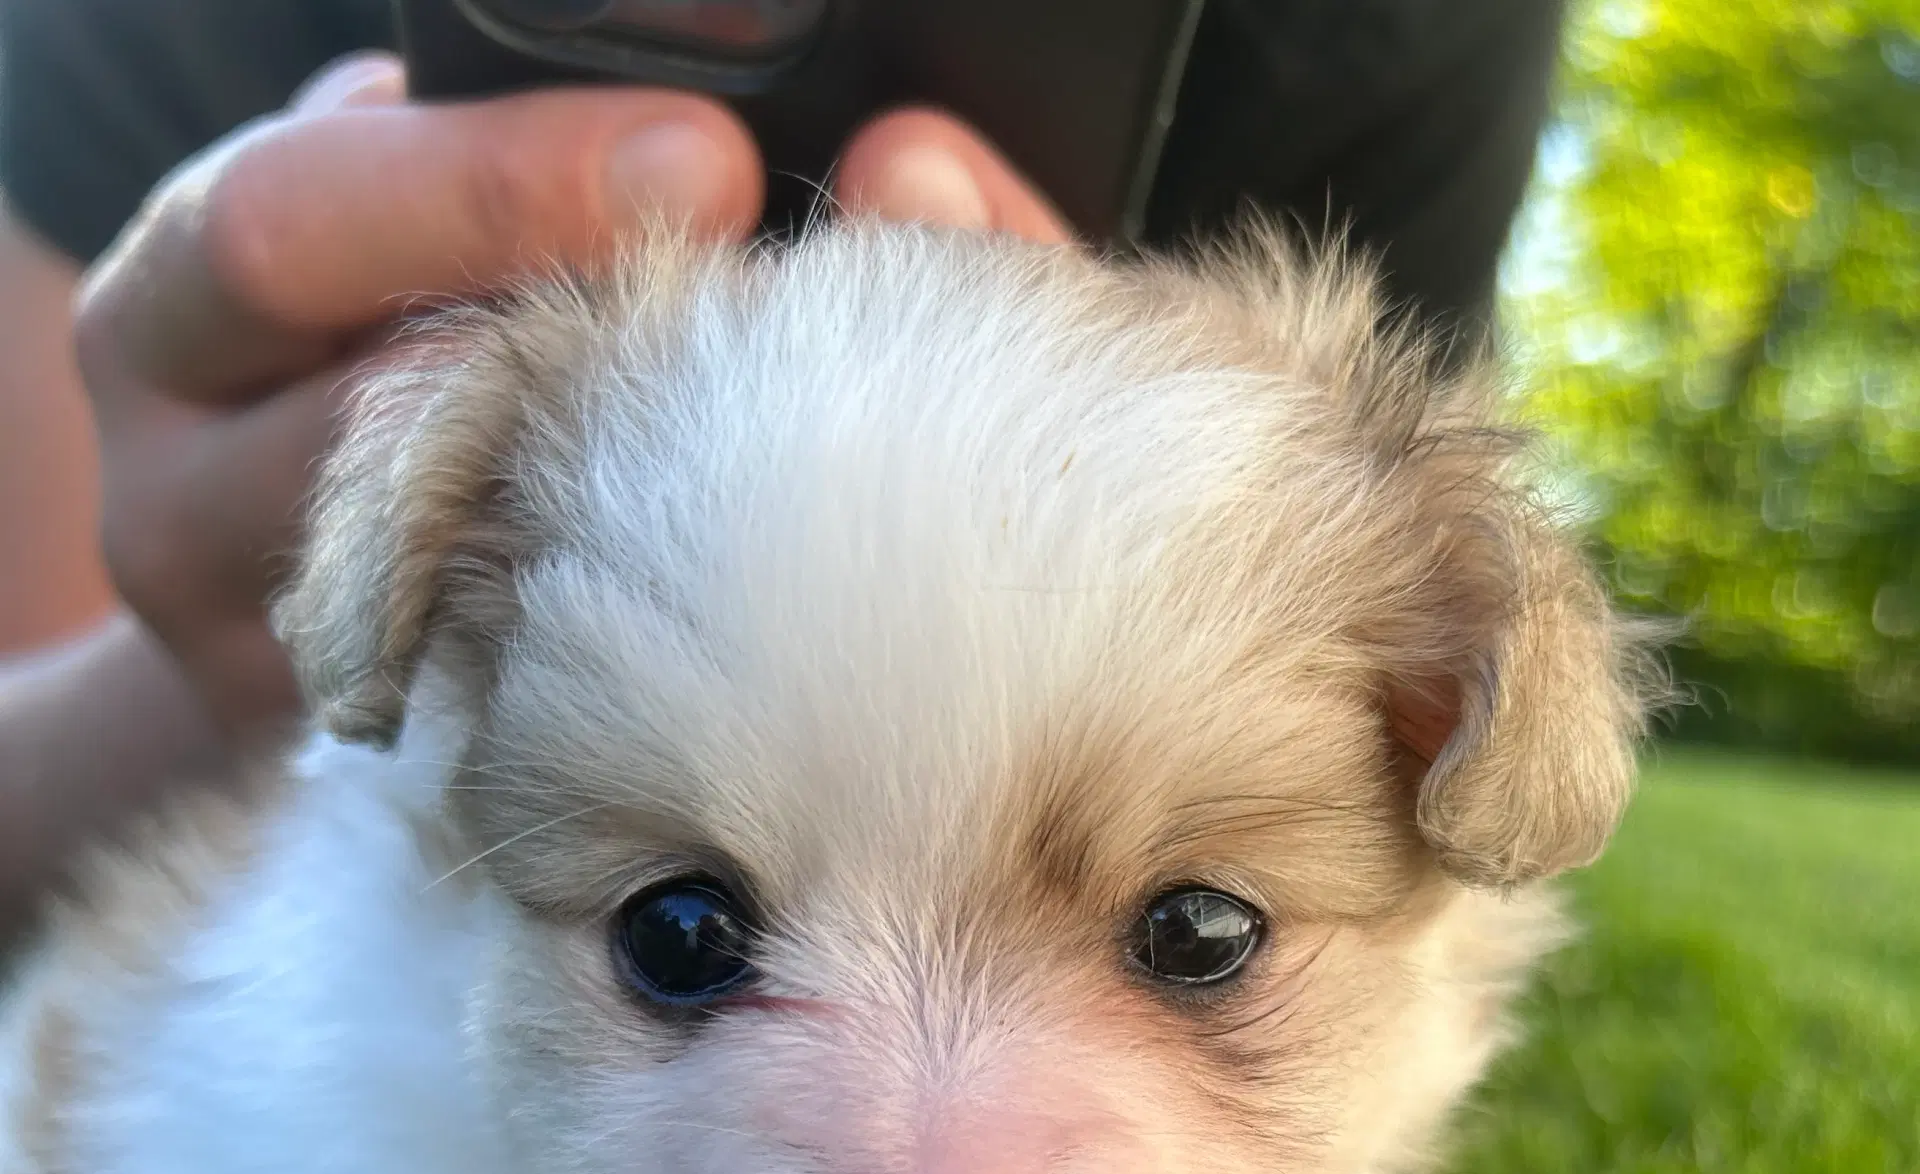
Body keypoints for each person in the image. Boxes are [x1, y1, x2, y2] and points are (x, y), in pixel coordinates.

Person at [0, 0, 1565, 932]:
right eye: (688, 943)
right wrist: (202, 673)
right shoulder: (126, 34)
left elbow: (1461, 763)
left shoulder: (1385, 40)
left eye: (1192, 936)